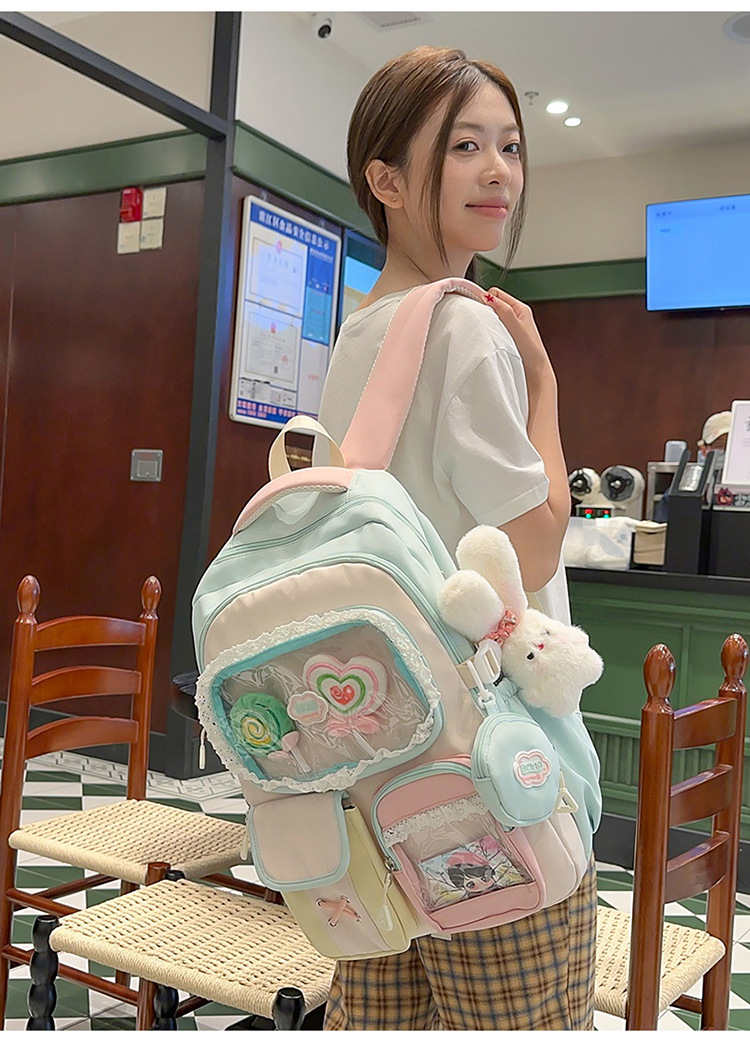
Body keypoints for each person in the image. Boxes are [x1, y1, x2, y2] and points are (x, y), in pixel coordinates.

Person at [316, 46, 598, 1031]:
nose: (498, 171)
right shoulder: (470, 329)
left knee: (384, 1015)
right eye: (464, 146)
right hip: (494, 772)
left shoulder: (359, 332)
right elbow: (536, 551)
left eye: (509, 147)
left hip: (378, 767)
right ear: (386, 180)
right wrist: (546, 386)